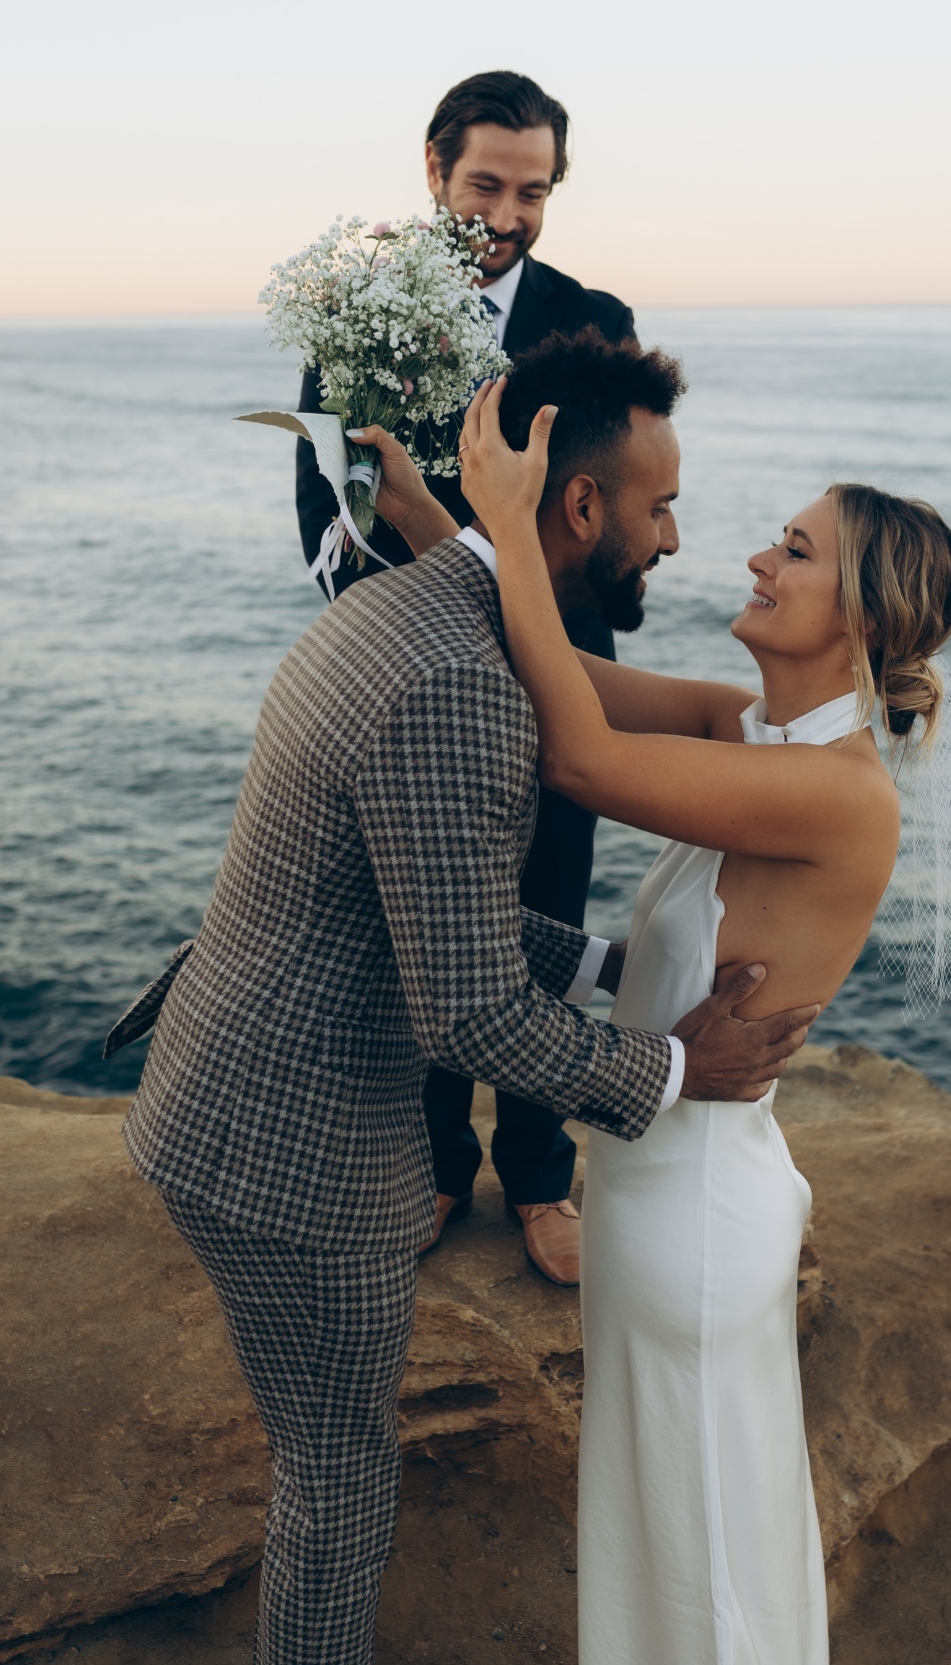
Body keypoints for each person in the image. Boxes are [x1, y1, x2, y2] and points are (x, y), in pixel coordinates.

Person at [107, 330, 819, 1665]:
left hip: (235, 1083)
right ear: (584, 506)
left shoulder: (430, 599)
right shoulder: (456, 684)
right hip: (288, 1155)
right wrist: (677, 1072)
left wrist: (623, 971)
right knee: (338, 1484)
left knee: (329, 1462)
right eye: (660, 506)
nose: (675, 538)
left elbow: (430, 915)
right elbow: (471, 1018)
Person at [382, 346, 951, 1665]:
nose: (759, 560)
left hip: (695, 1220)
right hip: (657, 1194)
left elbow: (580, 762)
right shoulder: (750, 733)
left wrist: (505, 525)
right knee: (678, 1547)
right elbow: (569, 689)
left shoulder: (839, 793)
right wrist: (465, 526)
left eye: (798, 551)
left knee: (704, 1566)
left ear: (863, 617)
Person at [295, 70, 641, 1284]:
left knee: (545, 913)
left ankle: (543, 1178)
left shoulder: (593, 316)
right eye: (487, 183)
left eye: (533, 189)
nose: (508, 211)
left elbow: (604, 525)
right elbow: (323, 518)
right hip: (420, 693)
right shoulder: (358, 313)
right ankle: (439, 1164)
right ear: (435, 171)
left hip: (558, 684)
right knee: (426, 934)